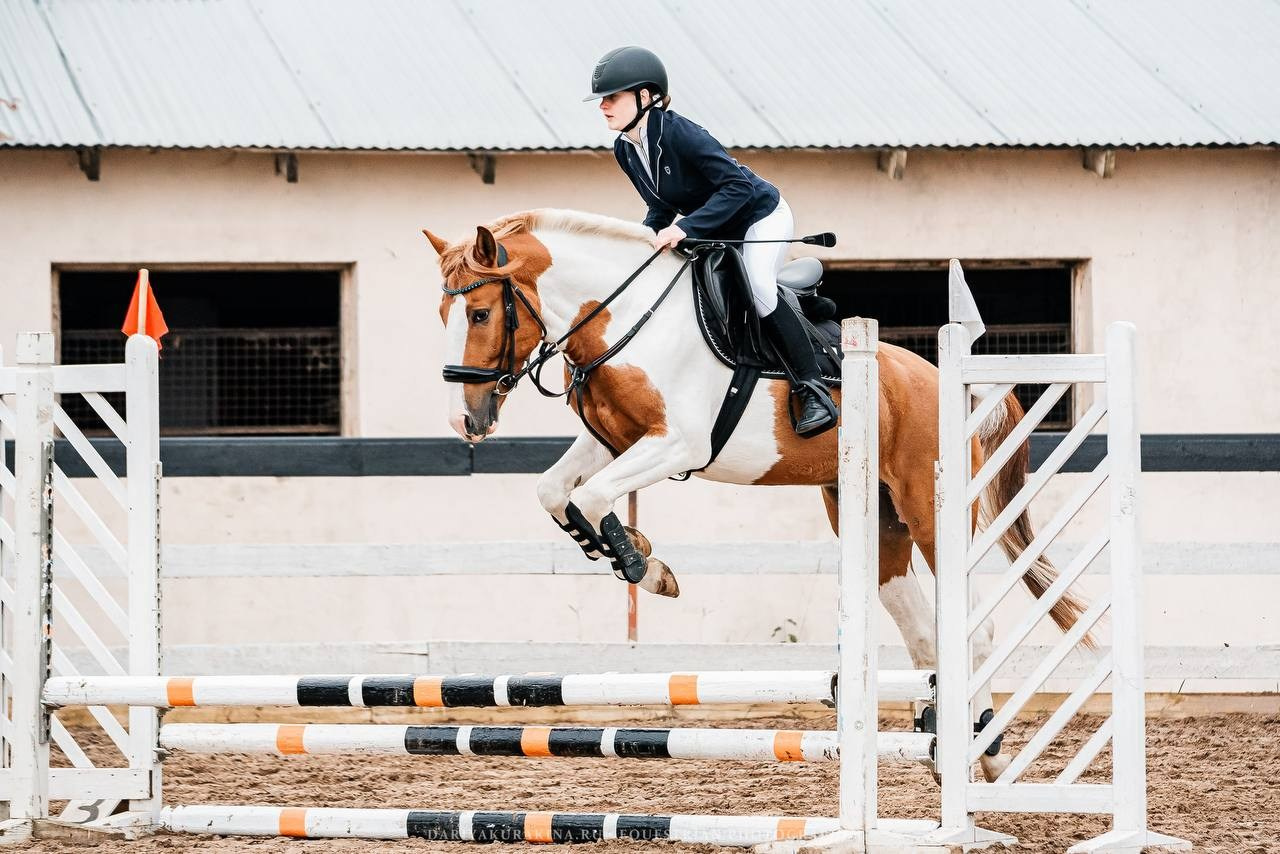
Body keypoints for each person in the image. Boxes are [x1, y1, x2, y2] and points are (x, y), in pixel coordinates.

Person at [586, 46, 836, 438]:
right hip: (713, 226)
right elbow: (658, 206)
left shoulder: (680, 133)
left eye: (612, 97)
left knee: (756, 287)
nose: (603, 106)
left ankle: (813, 388)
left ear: (645, 96)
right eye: (602, 99)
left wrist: (686, 227)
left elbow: (736, 187)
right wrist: (641, 242)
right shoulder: (626, 149)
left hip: (759, 216)